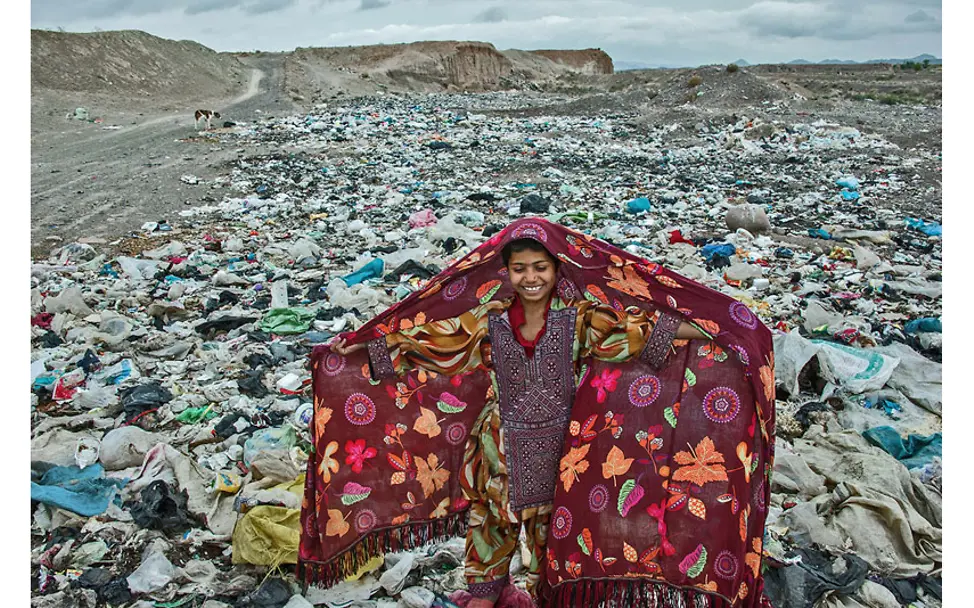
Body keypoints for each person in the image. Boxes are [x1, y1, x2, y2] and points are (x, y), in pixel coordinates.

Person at [300, 218, 775, 608]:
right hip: (498, 446)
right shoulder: (488, 321)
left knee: (553, 540)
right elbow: (430, 342)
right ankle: (487, 595)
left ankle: (543, 591)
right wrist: (356, 348)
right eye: (521, 268)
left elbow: (637, 334)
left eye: (540, 268)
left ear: (556, 268)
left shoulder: (580, 319)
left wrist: (716, 331)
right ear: (504, 272)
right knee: (490, 524)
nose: (531, 278)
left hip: (563, 452)